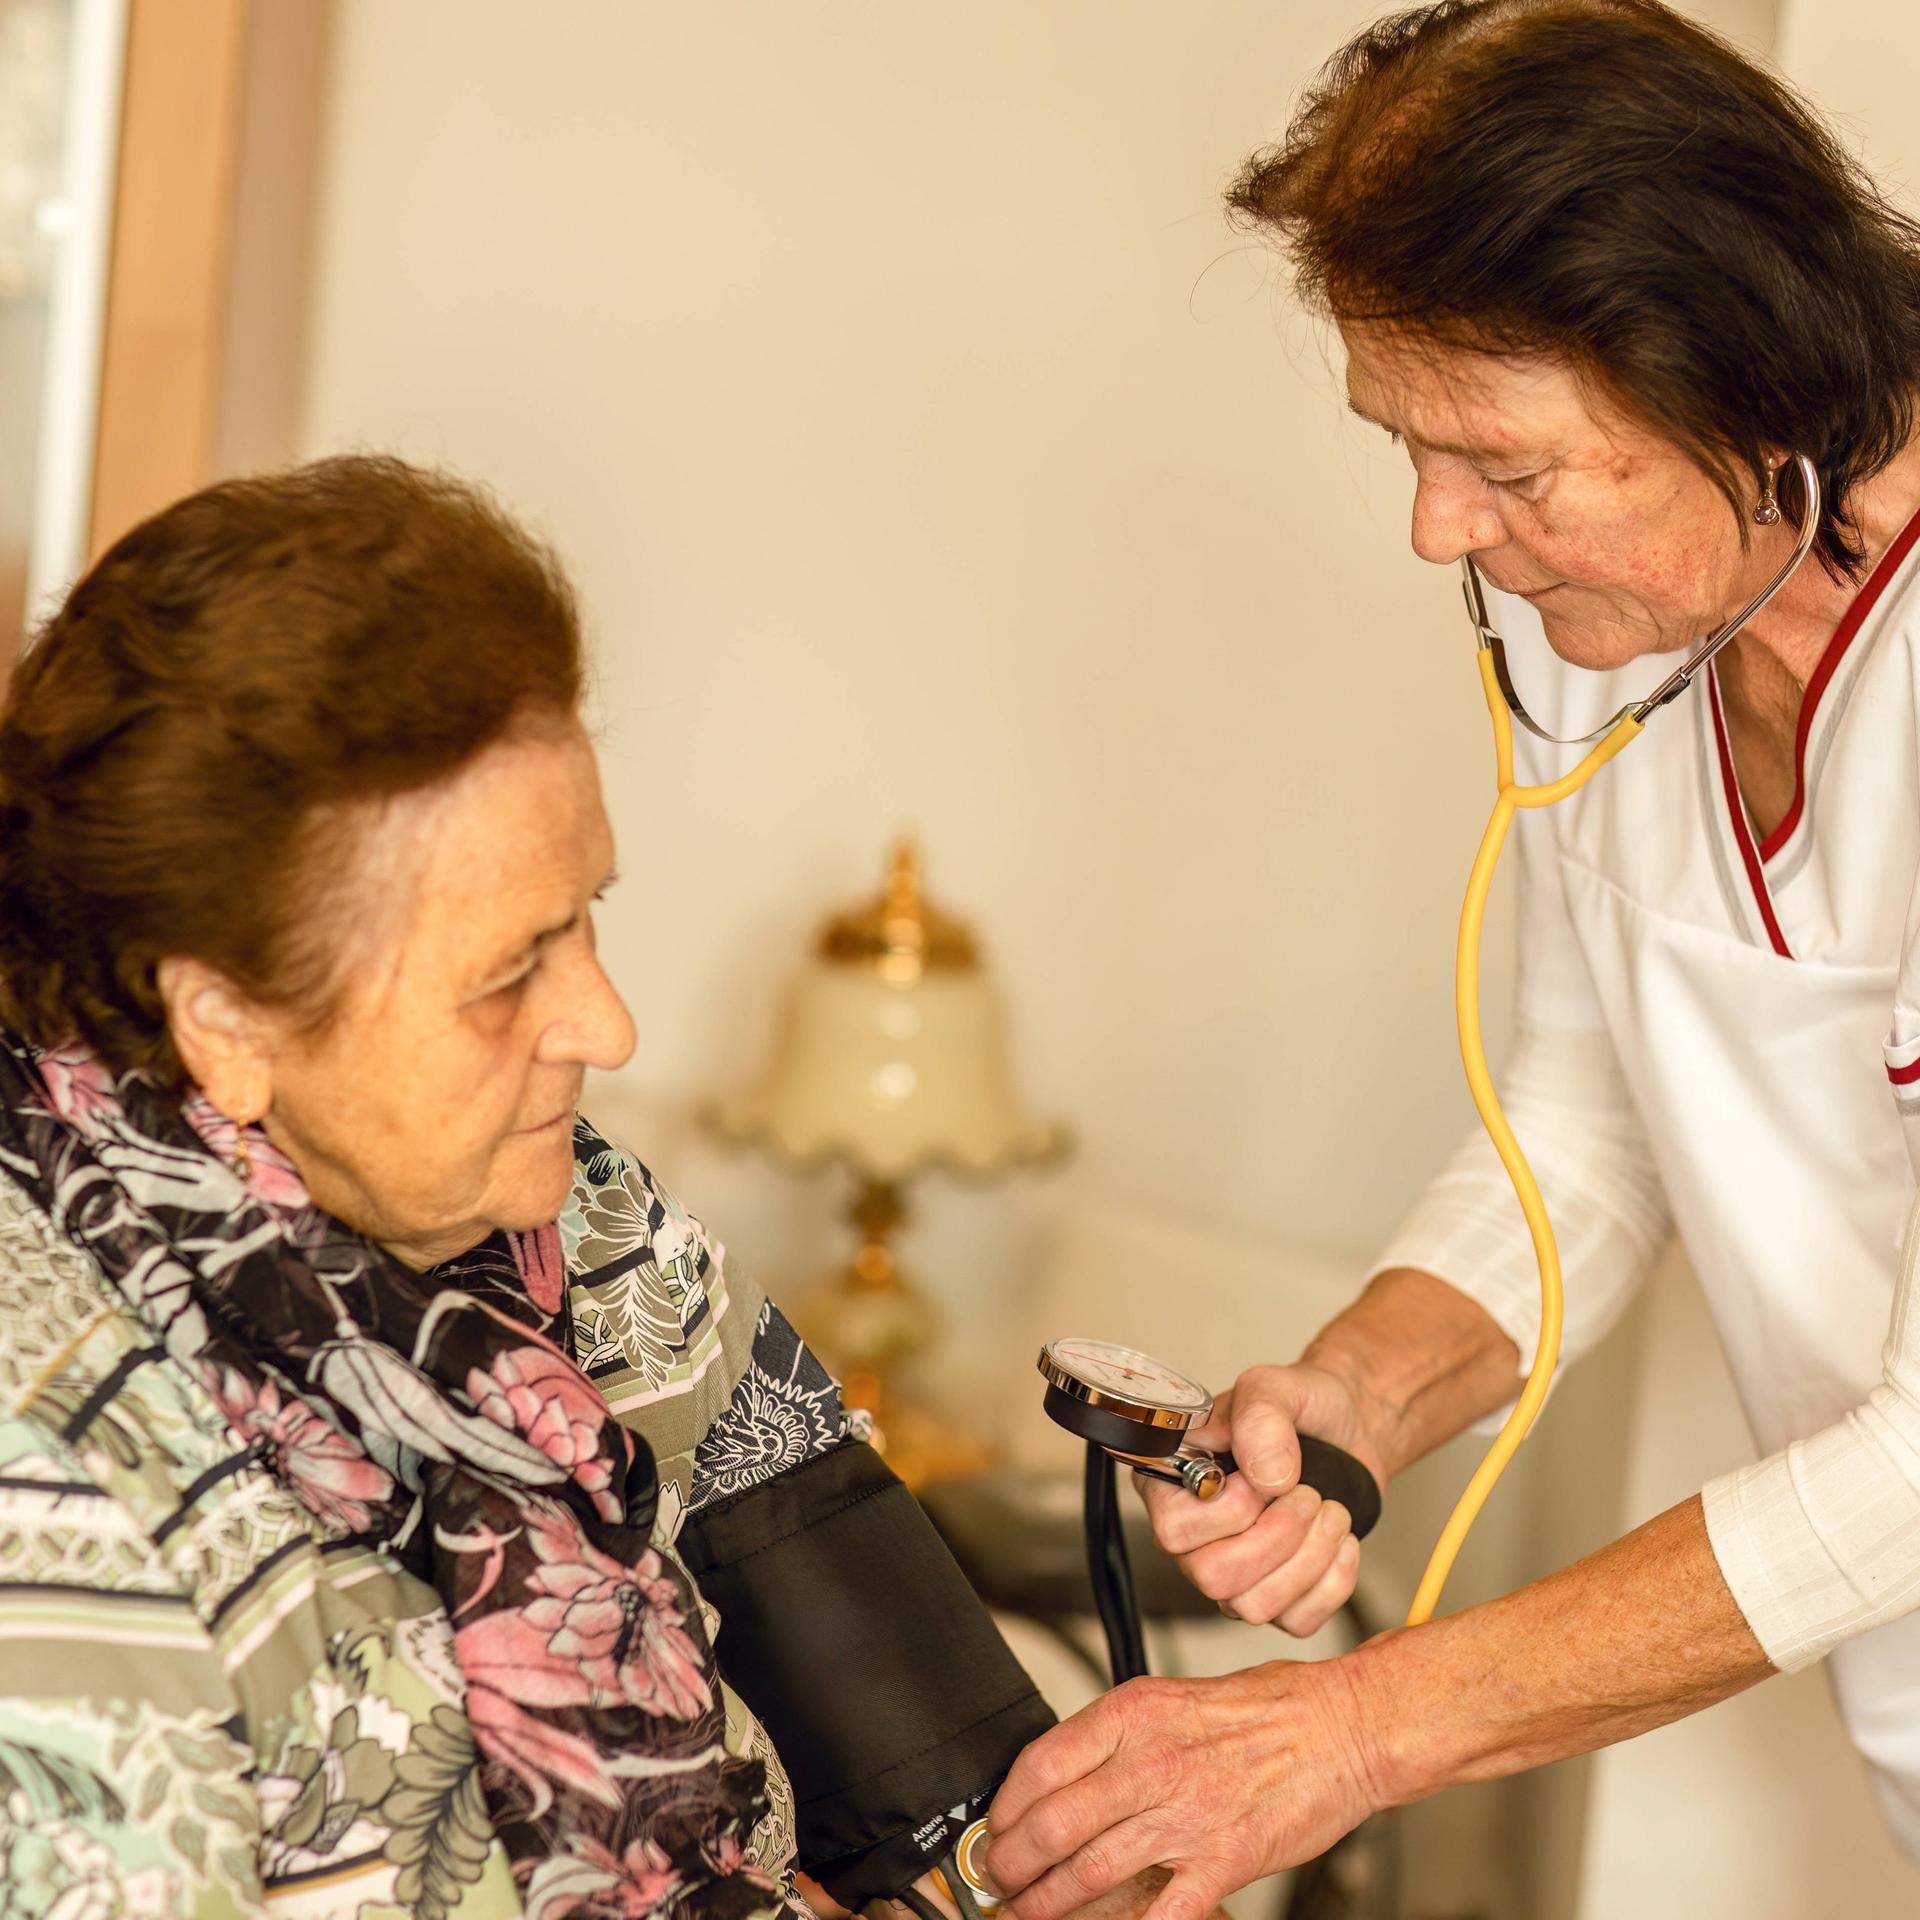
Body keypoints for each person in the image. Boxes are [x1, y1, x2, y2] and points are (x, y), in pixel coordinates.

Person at [982, 3, 1920, 1915]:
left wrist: (1349, 1732)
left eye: (1506, 464)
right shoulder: (1631, 632)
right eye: (1405, 445)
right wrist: (1360, 1395)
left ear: (1744, 378)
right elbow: (1591, 1137)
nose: (1437, 531)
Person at [0, 456, 1085, 1919]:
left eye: (587, 920)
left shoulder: (577, 1220)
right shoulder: (49, 1466)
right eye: (511, 971)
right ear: (226, 1018)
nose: (609, 1027)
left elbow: (955, 1781)